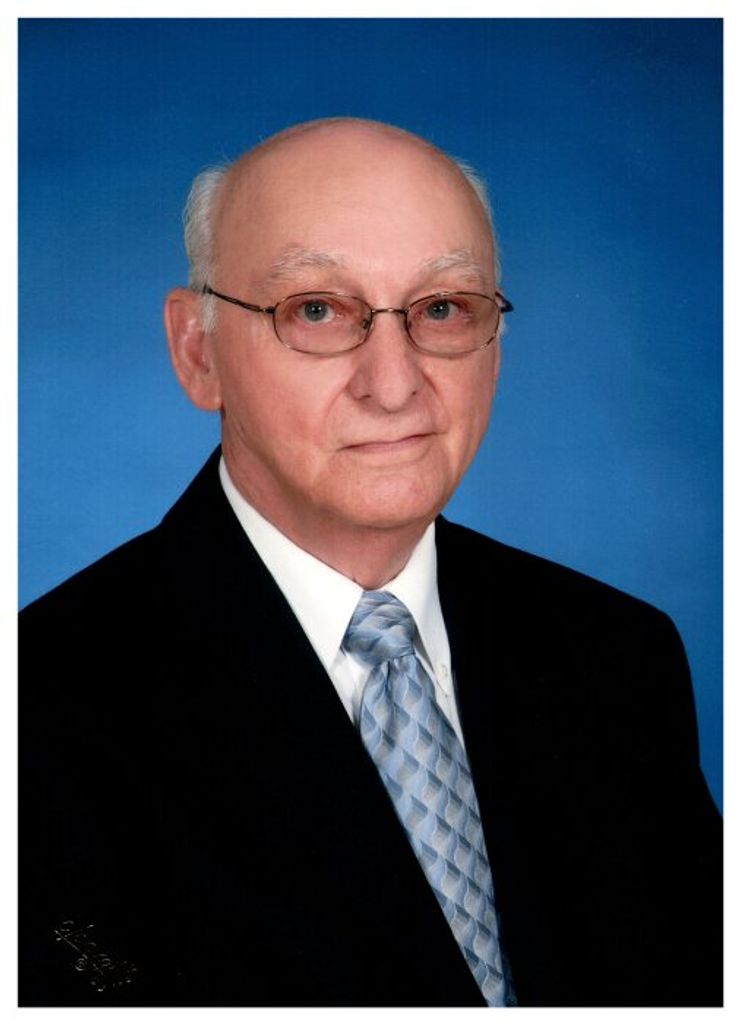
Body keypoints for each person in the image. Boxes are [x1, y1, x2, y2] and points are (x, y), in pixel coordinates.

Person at [19, 117, 721, 1007]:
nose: (394, 385)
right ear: (199, 353)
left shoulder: (619, 656)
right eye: (316, 310)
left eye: (443, 309)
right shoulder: (40, 710)